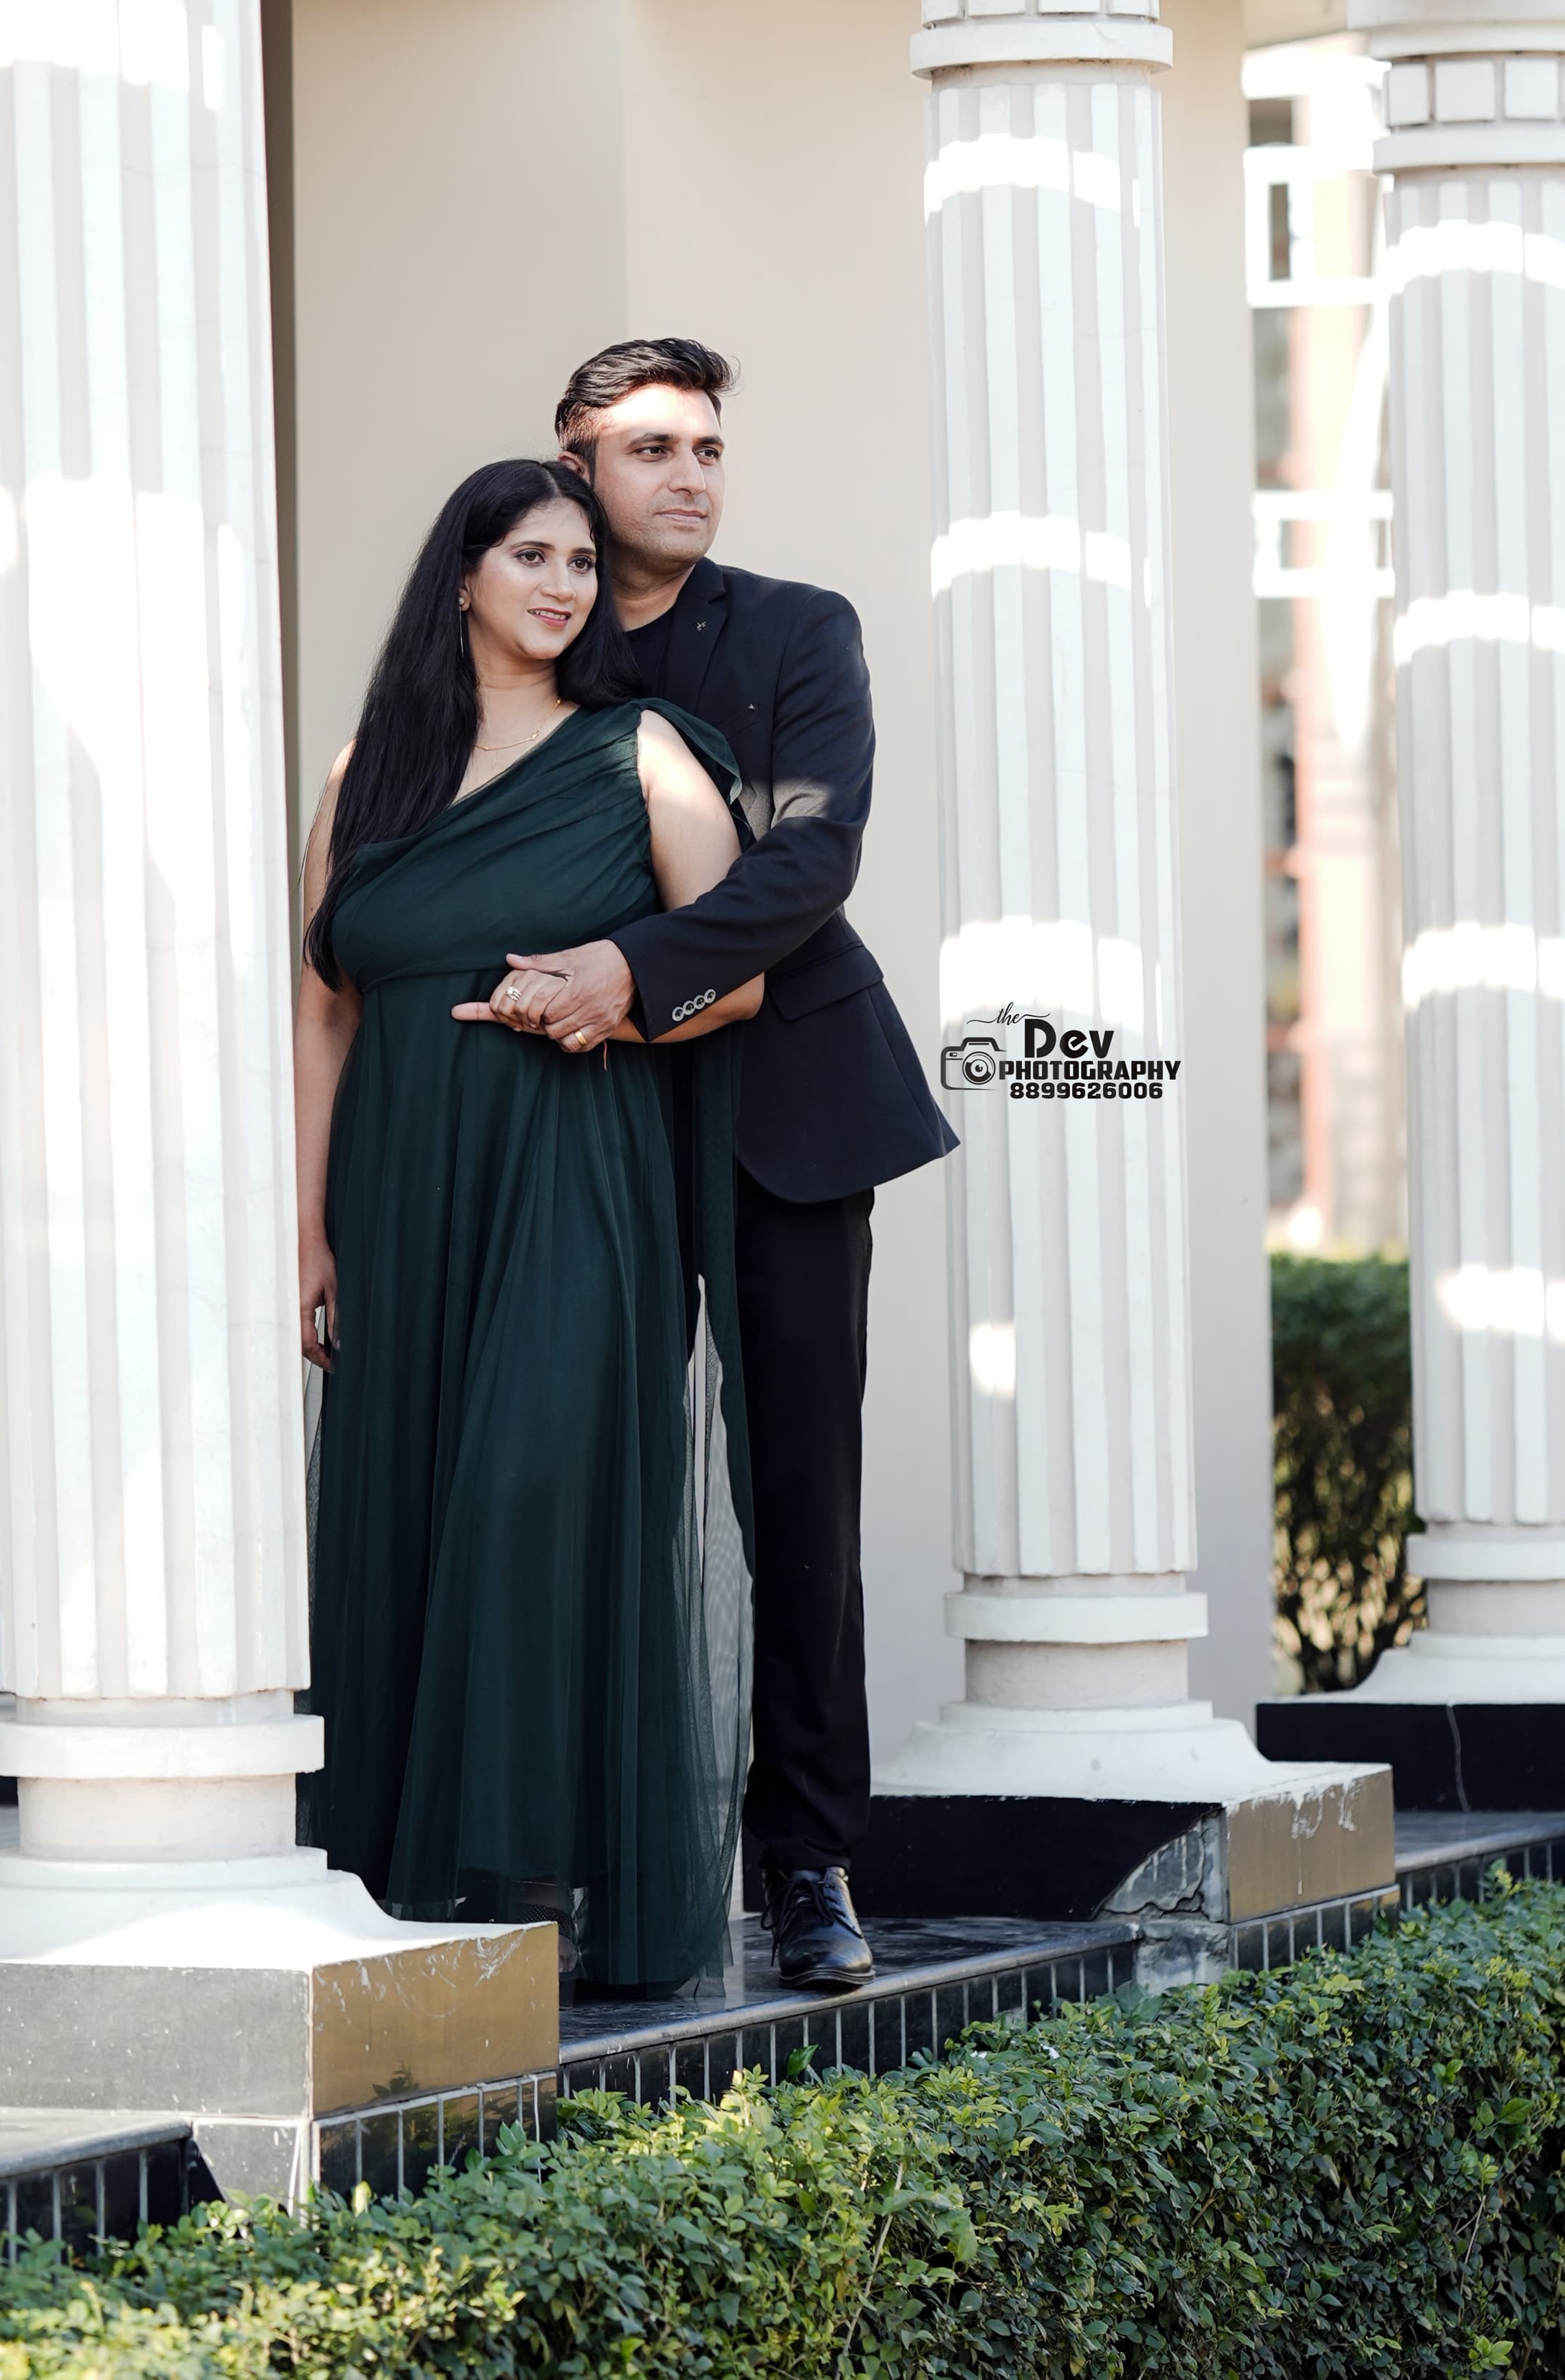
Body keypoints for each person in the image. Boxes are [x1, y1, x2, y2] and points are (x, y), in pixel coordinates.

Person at [460, 339, 958, 1993]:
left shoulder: (801, 628)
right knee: (573, 1468)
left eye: (708, 448)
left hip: (790, 1109)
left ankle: (804, 1861)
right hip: (579, 1117)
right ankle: (567, 1840)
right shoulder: (533, 629)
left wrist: (632, 965)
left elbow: (814, 851)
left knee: (795, 1494)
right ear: (574, 461)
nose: (687, 473)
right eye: (650, 446)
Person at [293, 455, 762, 2002]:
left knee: (529, 1490)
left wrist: (614, 996)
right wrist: (308, 1232)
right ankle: (413, 1889)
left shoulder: (639, 754)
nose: (565, 585)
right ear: (465, 577)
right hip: (401, 1188)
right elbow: (322, 1011)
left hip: (573, 1169)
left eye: (580, 561)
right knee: (414, 1497)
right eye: (532, 556)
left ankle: (534, 1874)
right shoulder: (371, 772)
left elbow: (739, 964)